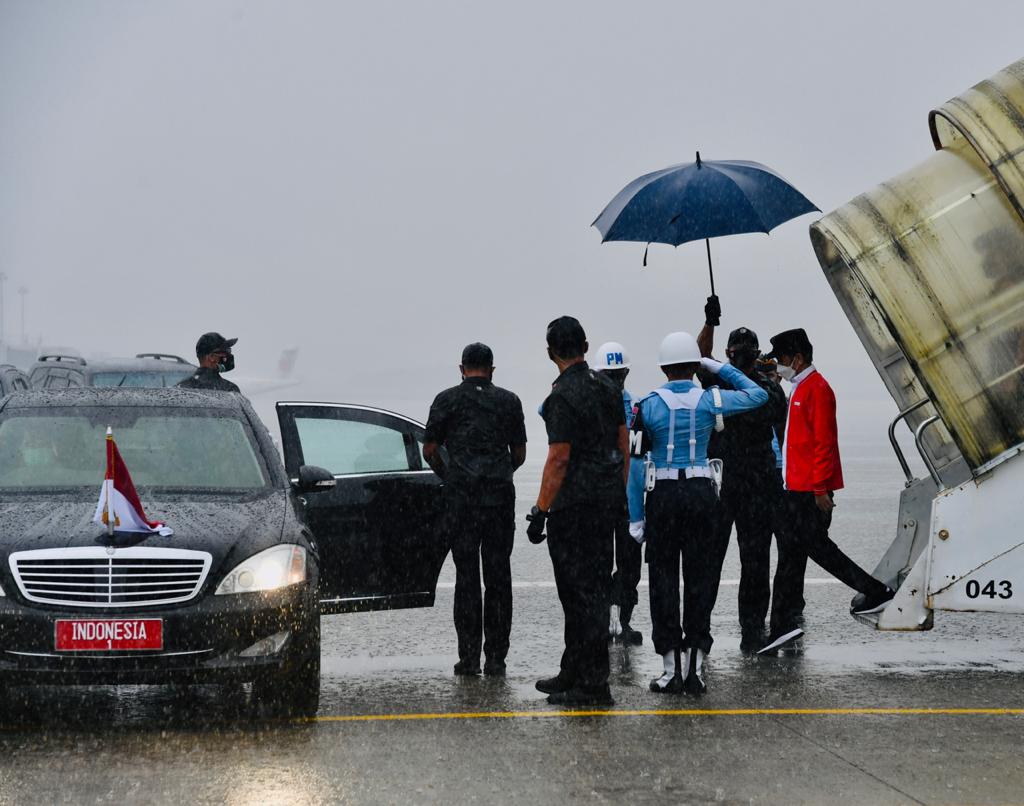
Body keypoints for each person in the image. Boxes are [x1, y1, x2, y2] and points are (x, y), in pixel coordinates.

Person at [628, 331, 768, 695]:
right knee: (700, 578)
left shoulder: (647, 405)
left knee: (663, 581)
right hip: (702, 495)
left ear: (663, 366)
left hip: (663, 496)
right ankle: (697, 667)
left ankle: (670, 668)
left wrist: (635, 516)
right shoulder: (711, 399)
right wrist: (717, 366)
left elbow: (636, 466)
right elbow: (759, 394)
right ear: (694, 365)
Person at [759, 328, 895, 654]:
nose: (778, 365)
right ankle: (783, 625)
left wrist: (821, 489)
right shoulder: (799, 388)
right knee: (793, 559)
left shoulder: (817, 389)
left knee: (817, 553)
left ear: (798, 358)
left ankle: (874, 592)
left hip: (809, 492)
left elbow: (823, 443)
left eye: (781, 359)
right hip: (795, 490)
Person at [526, 317, 629, 707]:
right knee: (592, 591)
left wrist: (540, 509)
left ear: (551, 352)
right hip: (603, 504)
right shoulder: (607, 387)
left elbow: (558, 459)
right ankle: (573, 669)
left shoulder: (560, 398)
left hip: (573, 509)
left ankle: (593, 684)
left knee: (579, 595)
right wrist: (615, 492)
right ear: (585, 345)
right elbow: (622, 443)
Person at [422, 343, 527, 677]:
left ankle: (468, 658)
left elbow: (429, 450)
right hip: (498, 498)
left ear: (461, 368)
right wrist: (499, 472)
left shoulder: (446, 399)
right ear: (492, 369)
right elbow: (520, 453)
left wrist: (451, 475)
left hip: (462, 499)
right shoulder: (509, 401)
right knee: (498, 577)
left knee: (466, 577)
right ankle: (496, 657)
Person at [700, 325, 788, 653]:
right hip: (728, 485)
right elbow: (699, 357)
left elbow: (704, 360)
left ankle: (750, 633)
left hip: (752, 486)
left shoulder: (766, 389)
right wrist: (709, 322)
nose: (741, 357)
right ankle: (703, 632)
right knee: (717, 562)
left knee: (753, 564)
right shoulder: (721, 382)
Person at [592, 340, 644, 646]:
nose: (615, 380)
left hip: (631, 502)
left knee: (630, 567)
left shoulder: (639, 407)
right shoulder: (586, 406)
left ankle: (624, 622)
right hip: (598, 500)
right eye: (609, 375)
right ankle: (599, 622)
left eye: (619, 374)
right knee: (597, 563)